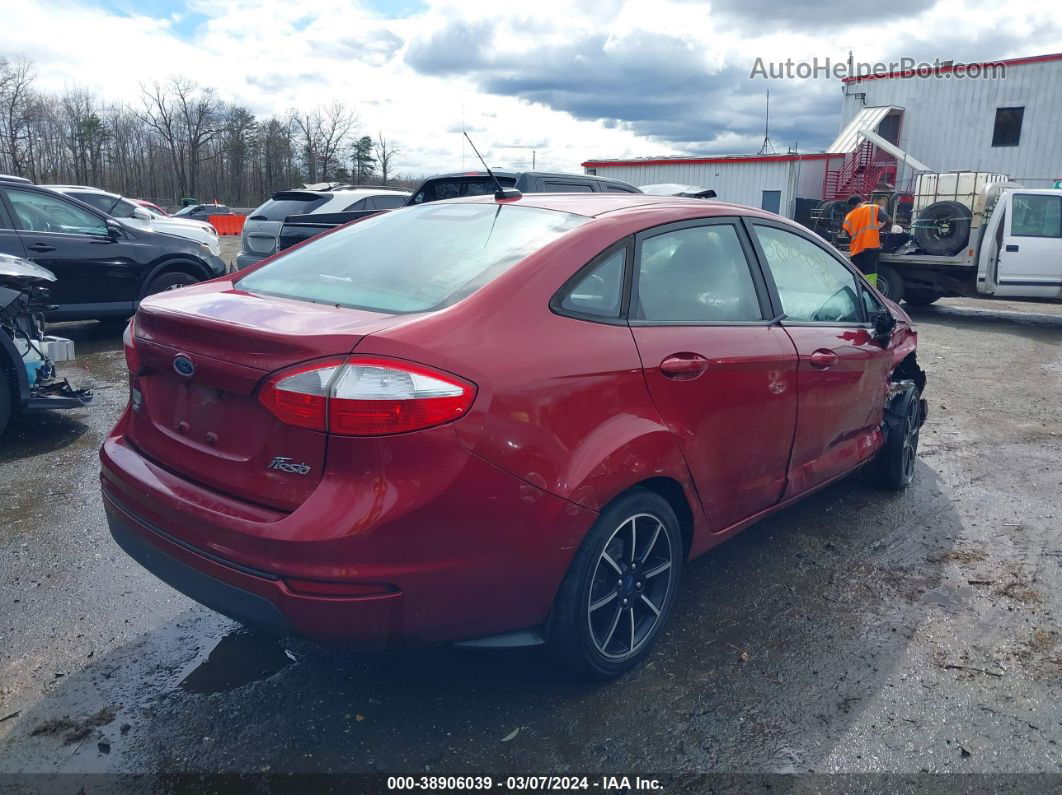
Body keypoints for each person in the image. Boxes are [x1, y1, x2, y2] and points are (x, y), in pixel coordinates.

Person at [842, 195, 890, 287]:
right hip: (871, 246)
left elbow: (848, 235)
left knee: (857, 273)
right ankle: (870, 293)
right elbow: (889, 220)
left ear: (852, 206)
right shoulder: (873, 208)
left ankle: (857, 291)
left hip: (856, 249)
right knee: (870, 273)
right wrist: (878, 229)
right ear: (861, 201)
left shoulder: (849, 216)